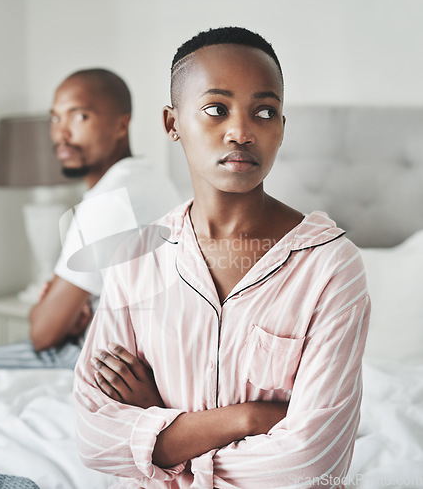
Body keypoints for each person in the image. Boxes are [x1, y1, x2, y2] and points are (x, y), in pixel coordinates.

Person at [73, 28, 370, 488]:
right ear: (172, 124)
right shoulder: (137, 256)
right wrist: (248, 417)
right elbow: (94, 438)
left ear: (281, 128)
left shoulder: (331, 266)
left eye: (264, 112)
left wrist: (161, 426)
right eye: (216, 109)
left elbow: (310, 461)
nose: (242, 131)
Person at [0, 69, 182, 376]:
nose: (61, 134)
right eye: (55, 118)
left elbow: (43, 335)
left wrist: (53, 313)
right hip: (134, 351)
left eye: (79, 117)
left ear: (121, 125)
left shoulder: (109, 202)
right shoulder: (149, 179)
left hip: (92, 357)